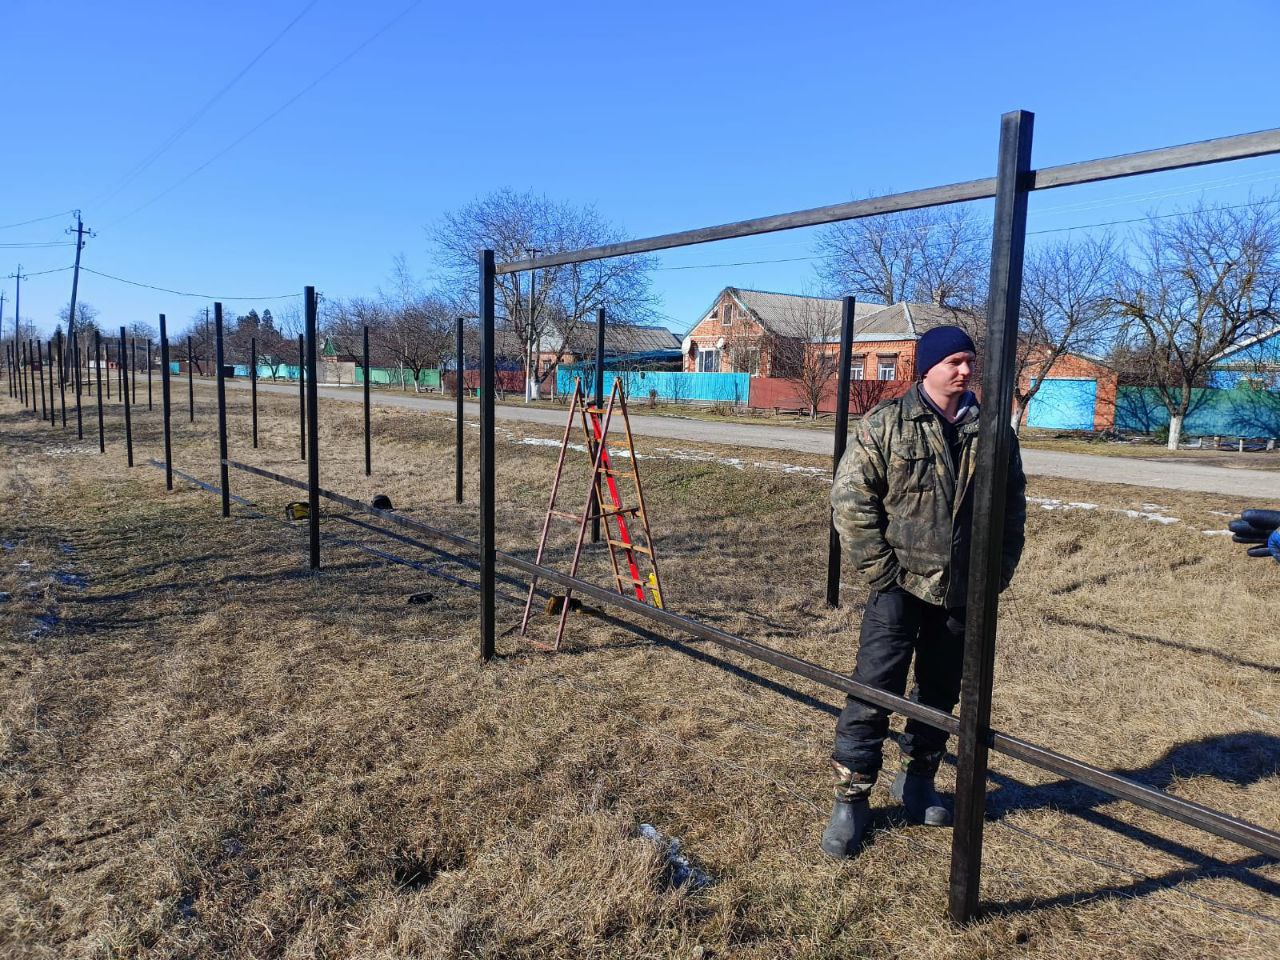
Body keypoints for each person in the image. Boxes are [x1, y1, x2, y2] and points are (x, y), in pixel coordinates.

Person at [821, 325, 1027, 858]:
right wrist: (881, 571)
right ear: (928, 366)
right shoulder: (887, 424)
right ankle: (852, 799)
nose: (964, 371)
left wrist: (996, 571)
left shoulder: (993, 432)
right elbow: (851, 500)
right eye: (954, 361)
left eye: (969, 363)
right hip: (898, 585)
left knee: (939, 693)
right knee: (873, 690)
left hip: (962, 591)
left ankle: (917, 781)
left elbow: (1011, 506)